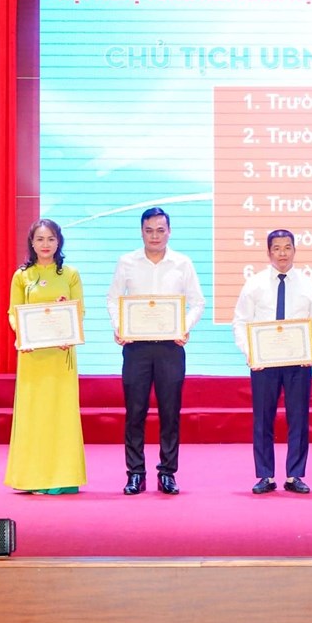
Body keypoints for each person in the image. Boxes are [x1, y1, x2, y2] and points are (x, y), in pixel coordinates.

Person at [106, 207, 205, 496]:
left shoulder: (182, 263)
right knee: (135, 412)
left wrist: (183, 327)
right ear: (141, 232)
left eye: (160, 230)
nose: (155, 236)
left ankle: (167, 473)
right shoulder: (126, 262)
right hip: (136, 348)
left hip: (170, 348)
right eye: (149, 230)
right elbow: (113, 299)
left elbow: (198, 302)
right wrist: (119, 326)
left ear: (169, 232)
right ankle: (135, 473)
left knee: (170, 413)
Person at [232, 229, 312, 495]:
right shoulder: (254, 284)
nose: (282, 253)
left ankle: (295, 475)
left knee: (299, 418)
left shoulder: (308, 285)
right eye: (277, 248)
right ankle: (265, 475)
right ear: (268, 252)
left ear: (294, 250)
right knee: (263, 419)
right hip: (264, 363)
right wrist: (250, 353)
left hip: (299, 363)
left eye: (287, 247)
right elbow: (240, 322)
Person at [4, 219, 87, 495]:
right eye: (40, 239)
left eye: (51, 239)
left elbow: (79, 311)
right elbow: (13, 313)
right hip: (32, 356)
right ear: (31, 243)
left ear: (58, 242)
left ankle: (64, 477)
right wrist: (22, 336)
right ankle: (34, 478)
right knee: (35, 415)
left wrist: (68, 331)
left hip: (61, 355)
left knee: (61, 415)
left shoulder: (70, 274)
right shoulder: (22, 276)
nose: (45, 244)